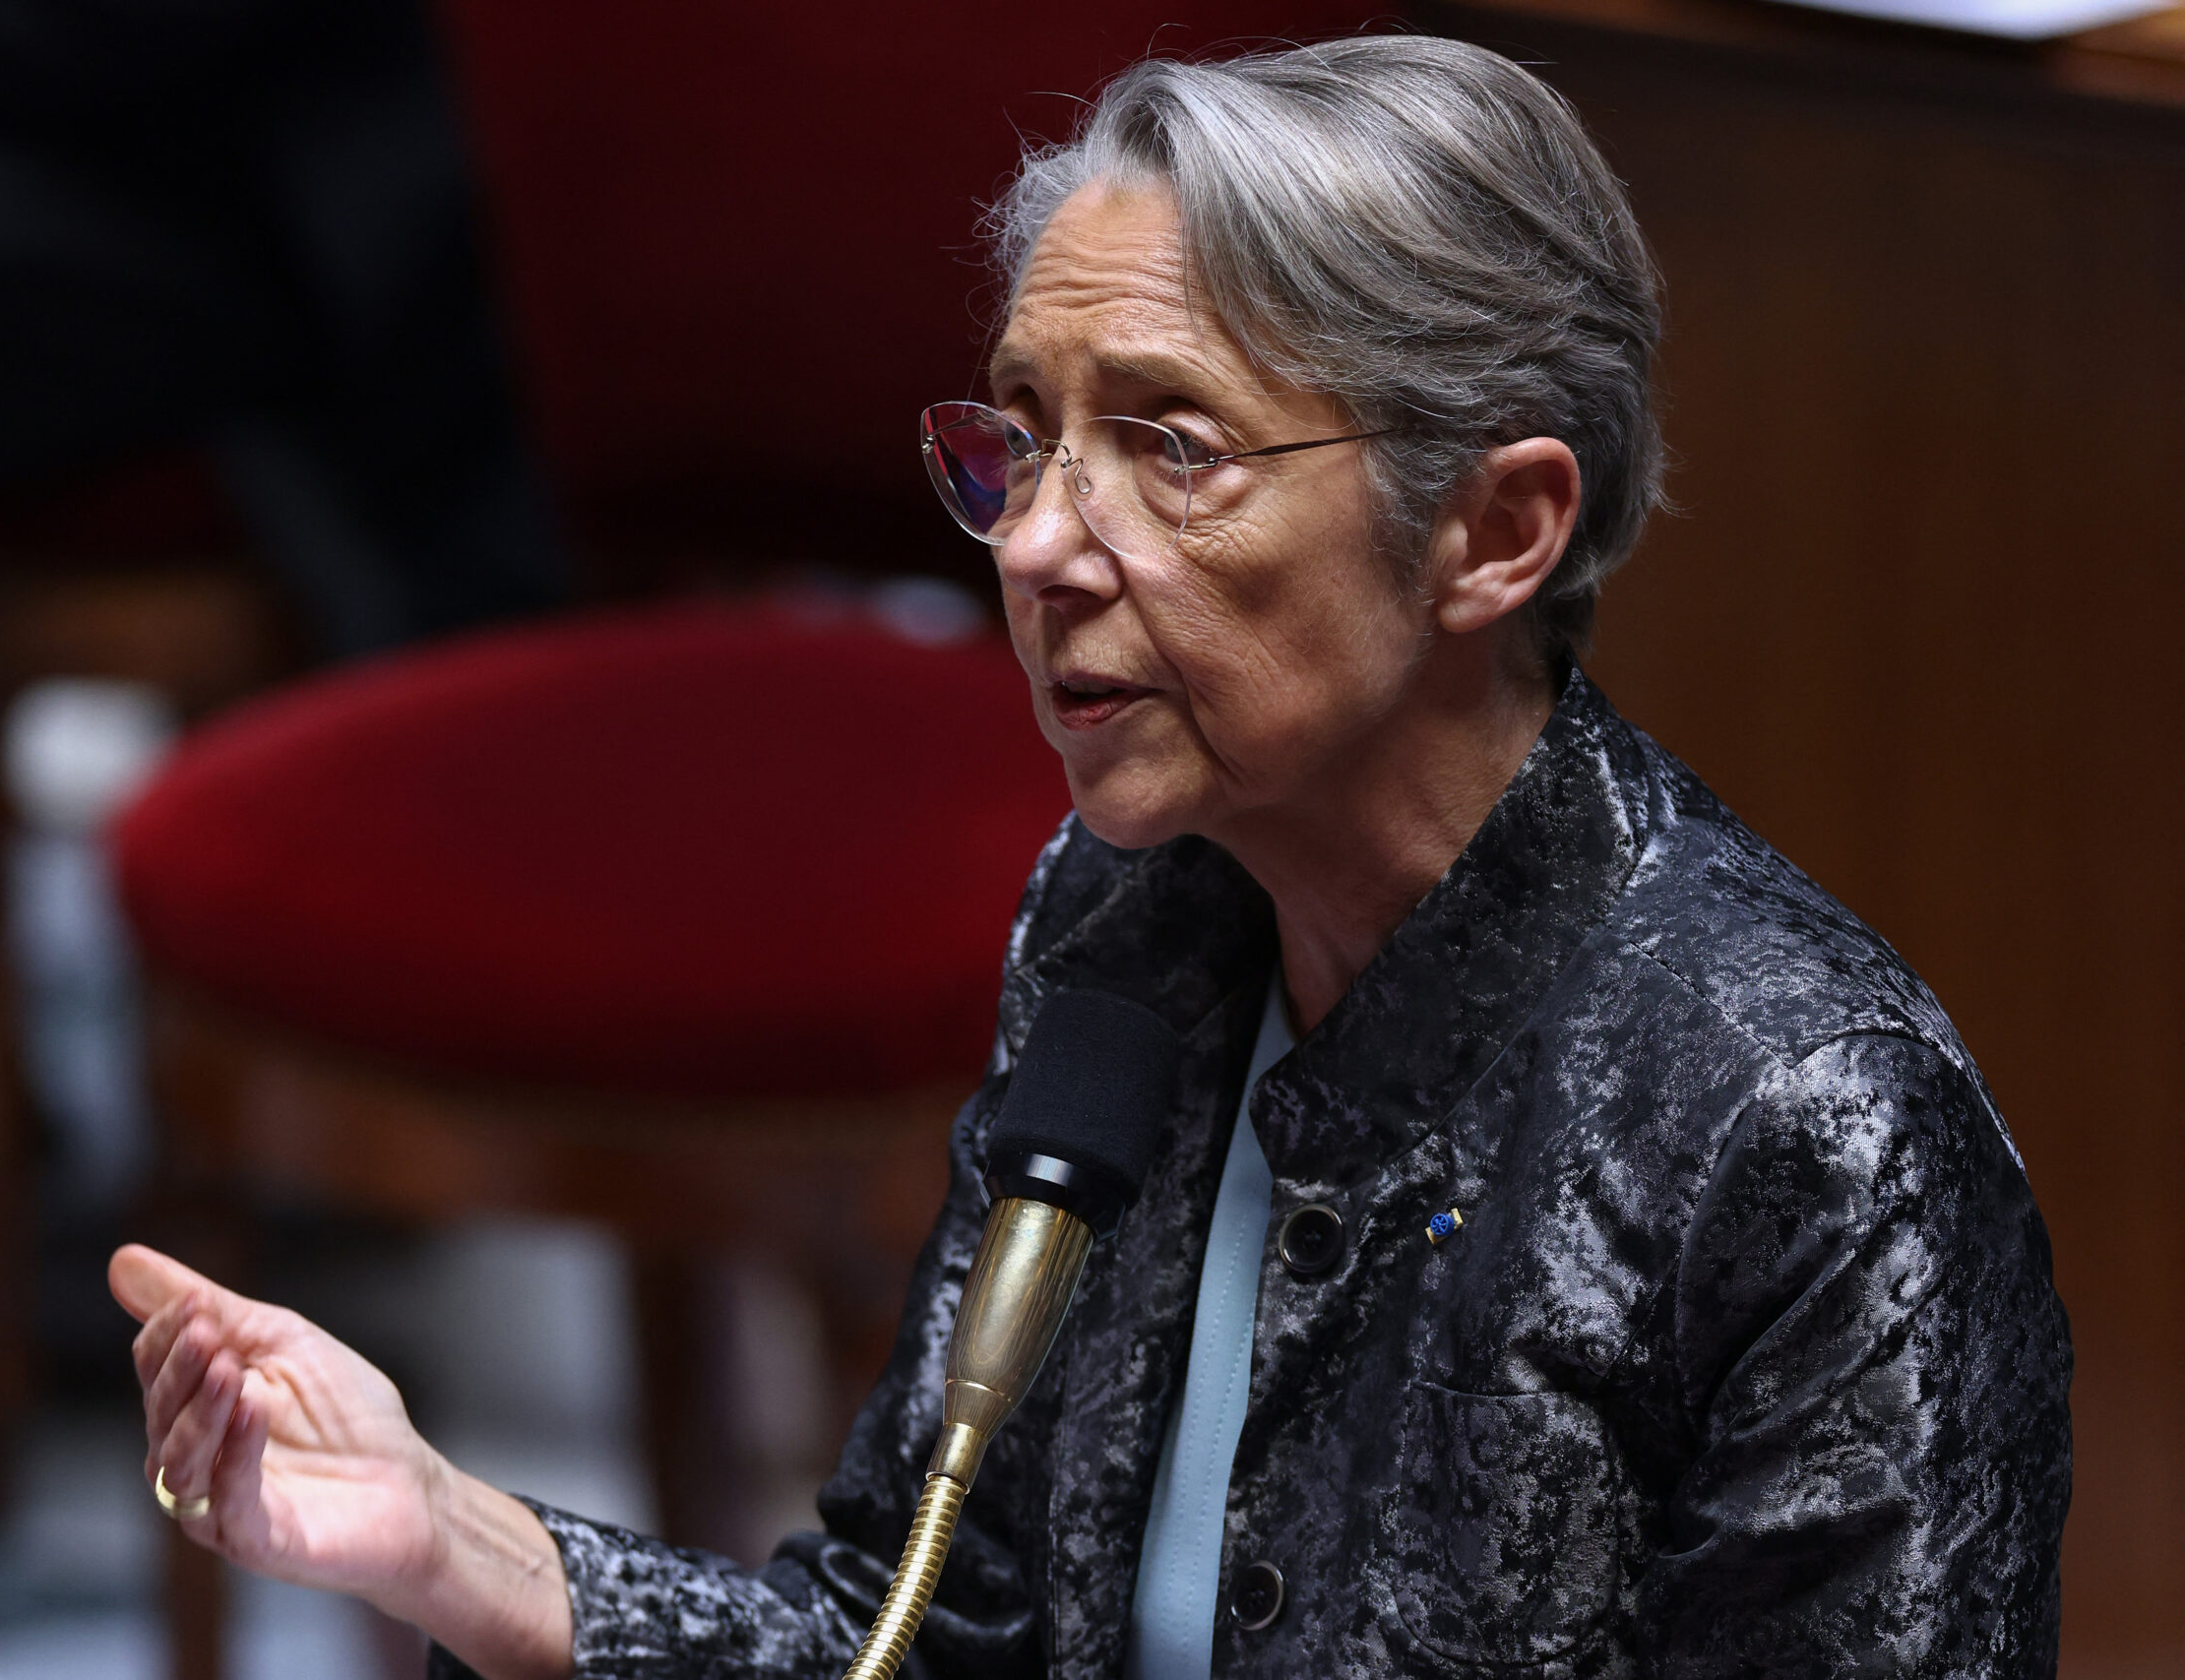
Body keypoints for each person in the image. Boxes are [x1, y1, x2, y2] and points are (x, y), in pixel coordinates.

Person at [112, 34, 2071, 1679]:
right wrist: (451, 1537)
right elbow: (917, 1631)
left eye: (1172, 447)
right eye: (1024, 439)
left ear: (1492, 531)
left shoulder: (1803, 1133)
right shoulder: (1130, 924)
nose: (1041, 544)